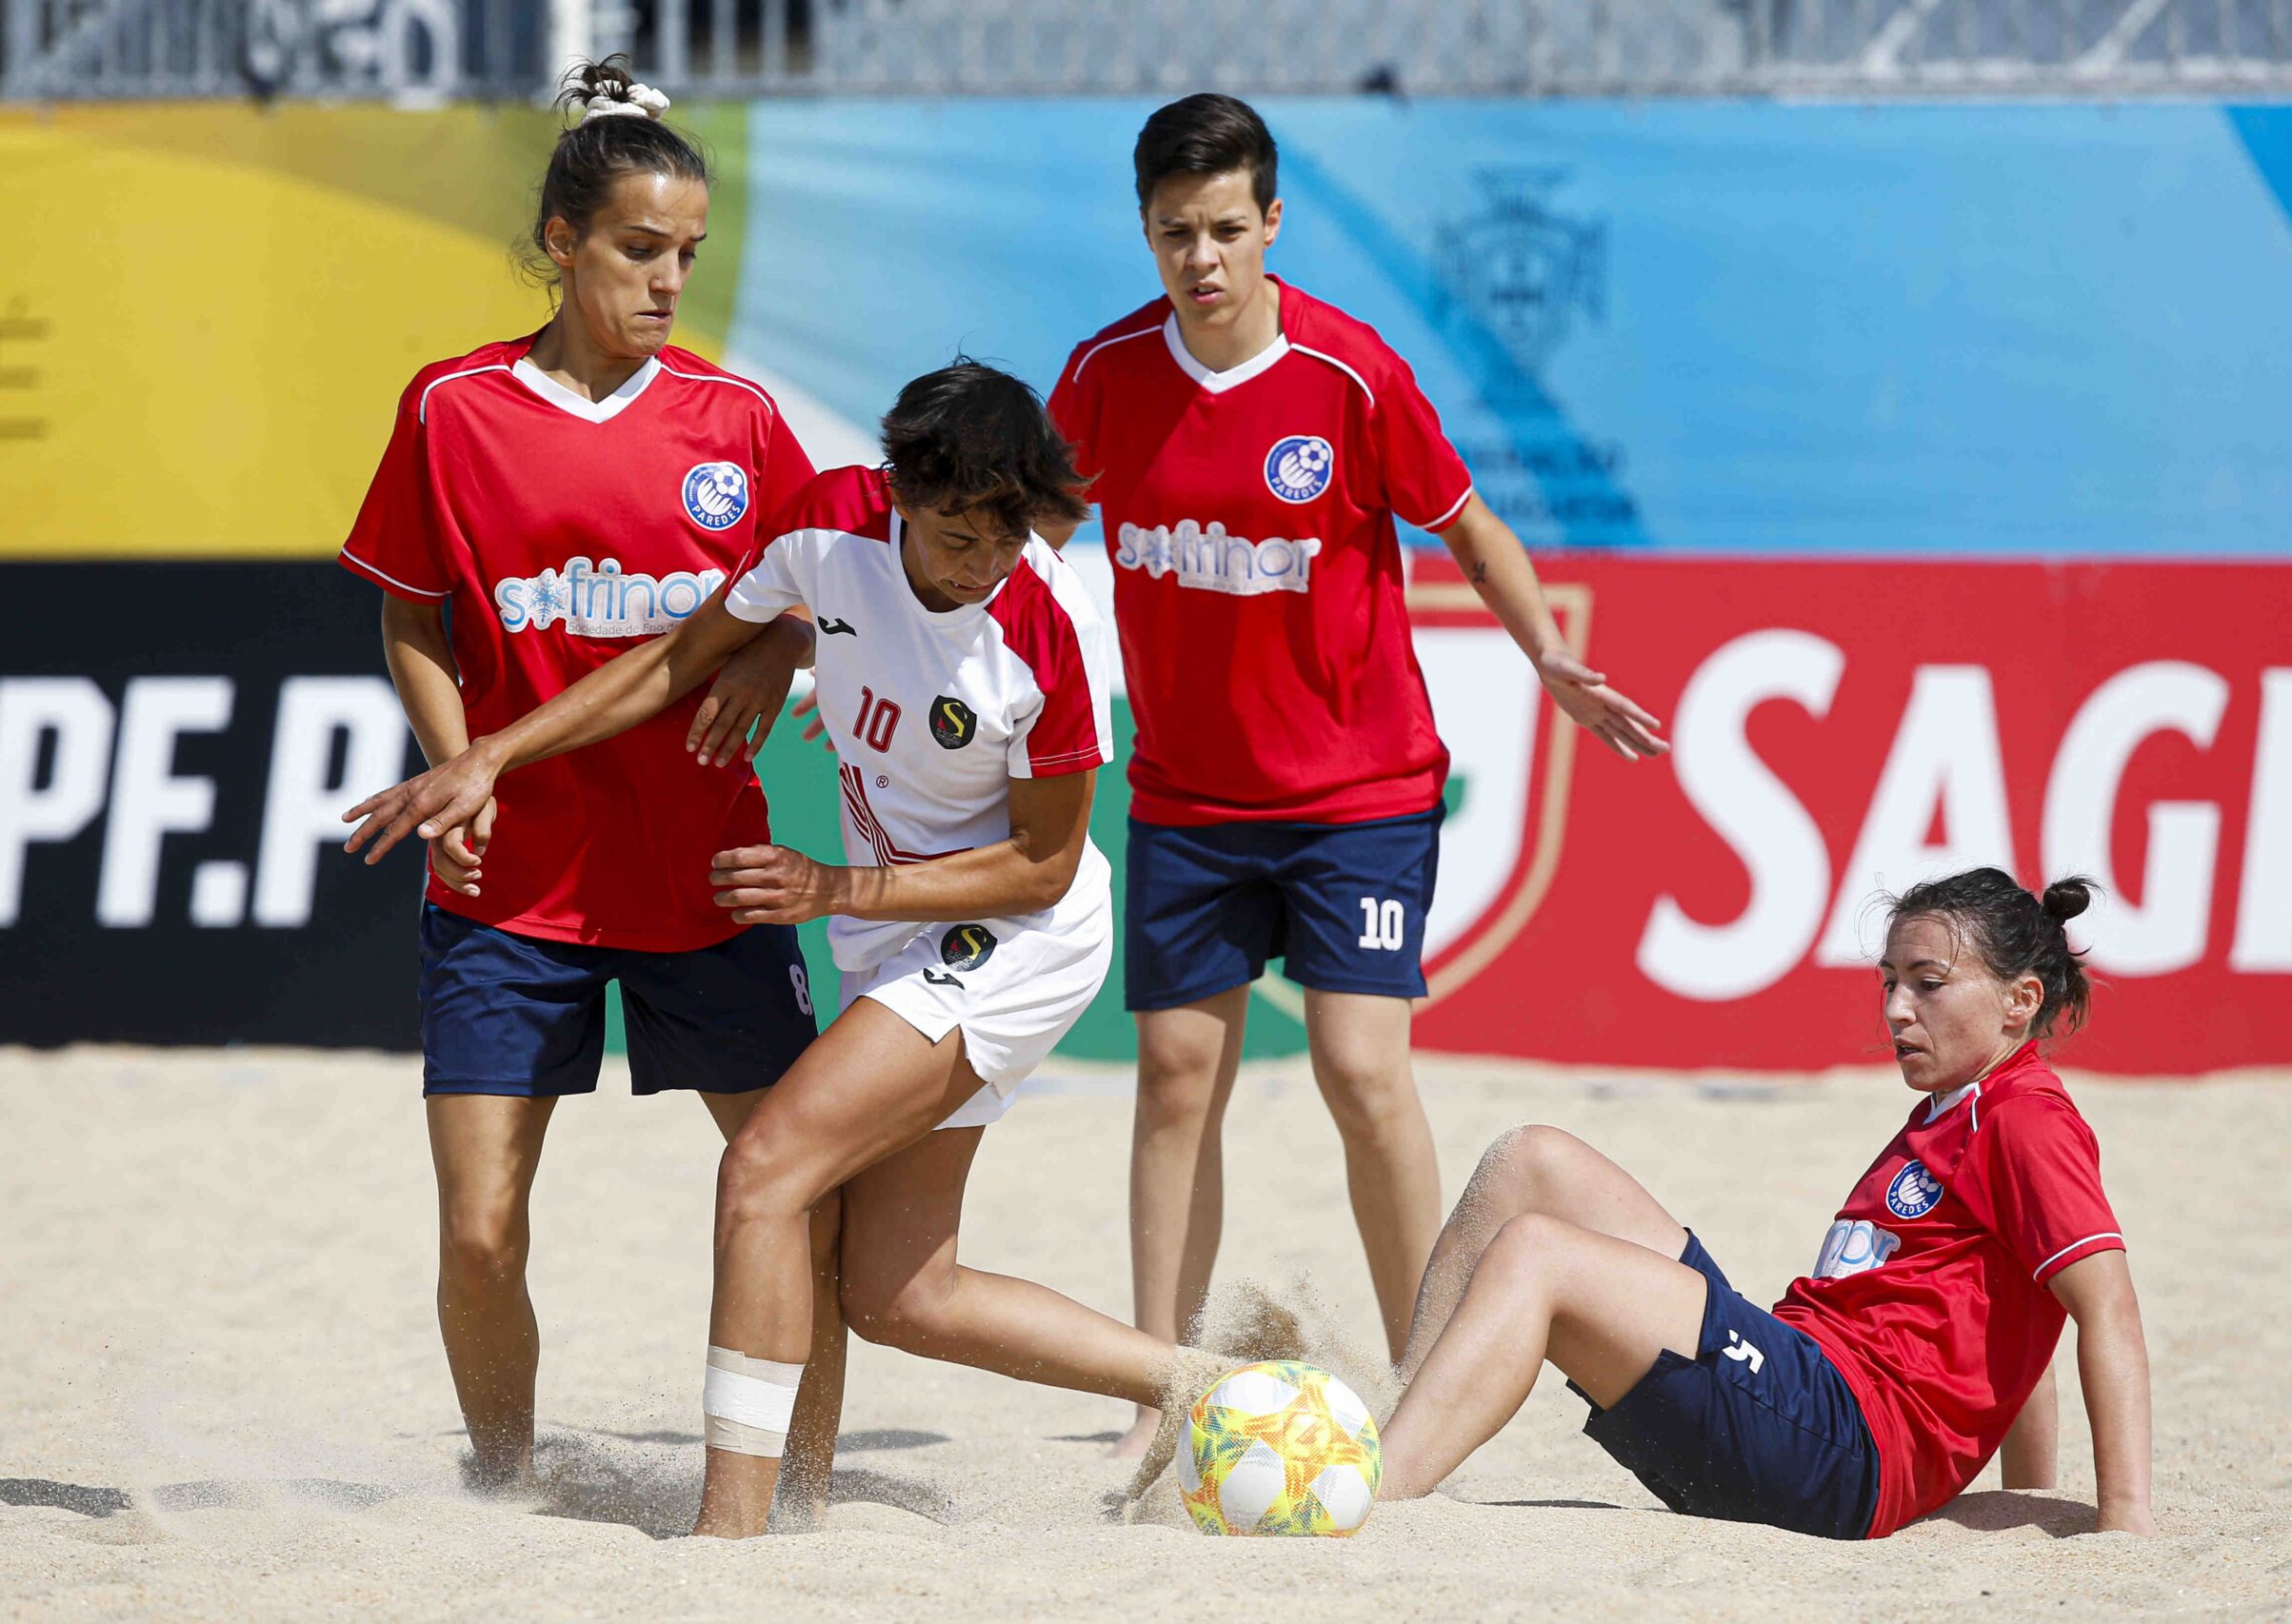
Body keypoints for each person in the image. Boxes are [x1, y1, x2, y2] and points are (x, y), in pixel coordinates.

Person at [347, 361, 1228, 1539]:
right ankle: (1198, 1385)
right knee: (902, 1294)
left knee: (765, 1169)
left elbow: (1046, 865)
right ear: (898, 492)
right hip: (890, 924)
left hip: (1011, 933)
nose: (980, 561)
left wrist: (833, 881)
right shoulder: (823, 521)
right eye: (957, 533)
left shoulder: (1052, 631)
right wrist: (493, 754)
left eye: (1005, 535)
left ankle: (734, 1533)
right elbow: (679, 659)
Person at [1041, 92, 1671, 1455]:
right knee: (1172, 1076)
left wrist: (1550, 656)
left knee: (1358, 1067)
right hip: (1190, 798)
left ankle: (1428, 1364)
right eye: (1172, 233)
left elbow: (1471, 521)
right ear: (1145, 233)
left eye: (1224, 229)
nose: (1200, 259)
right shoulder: (1101, 378)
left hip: (1357, 790)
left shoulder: (1348, 373)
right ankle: (1167, 1384)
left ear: (1272, 222)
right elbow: (1019, 526)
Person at [337, 58, 838, 1496]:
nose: (670, 280)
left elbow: (817, 604)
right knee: (482, 1229)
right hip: (514, 885)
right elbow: (412, 612)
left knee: (796, 1197)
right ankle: (504, 1481)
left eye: (688, 253)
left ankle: (796, 1494)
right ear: (561, 243)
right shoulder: (451, 409)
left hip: (707, 874)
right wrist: (457, 772)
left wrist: (771, 655)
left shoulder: (737, 425)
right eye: (639, 249)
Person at [1373, 869, 2156, 1539]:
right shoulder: (1957, 1106)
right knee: (1530, 1160)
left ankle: (1367, 1493)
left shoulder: (2023, 1117)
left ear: (2021, 1001)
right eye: (1889, 981)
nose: (1895, 1010)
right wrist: (2021, 1496)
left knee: (1537, 1252)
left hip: (1843, 1445)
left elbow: (2105, 1306)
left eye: (1928, 983)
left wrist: (2123, 1521)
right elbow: (2018, 1321)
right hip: (1804, 1392)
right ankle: (1390, 1424)